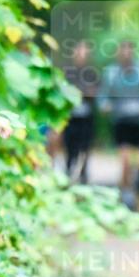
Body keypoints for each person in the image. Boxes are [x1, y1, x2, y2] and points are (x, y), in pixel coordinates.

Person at [98, 40, 139, 209]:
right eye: (122, 50)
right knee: (125, 159)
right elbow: (102, 96)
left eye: (128, 50)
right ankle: (126, 192)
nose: (125, 54)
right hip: (121, 121)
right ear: (118, 53)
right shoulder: (110, 73)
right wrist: (105, 105)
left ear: (133, 52)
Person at [62, 40, 98, 184]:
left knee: (85, 146)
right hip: (70, 117)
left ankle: (83, 173)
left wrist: (82, 93)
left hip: (86, 117)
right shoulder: (66, 71)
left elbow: (95, 93)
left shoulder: (92, 73)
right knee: (70, 146)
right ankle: (69, 171)